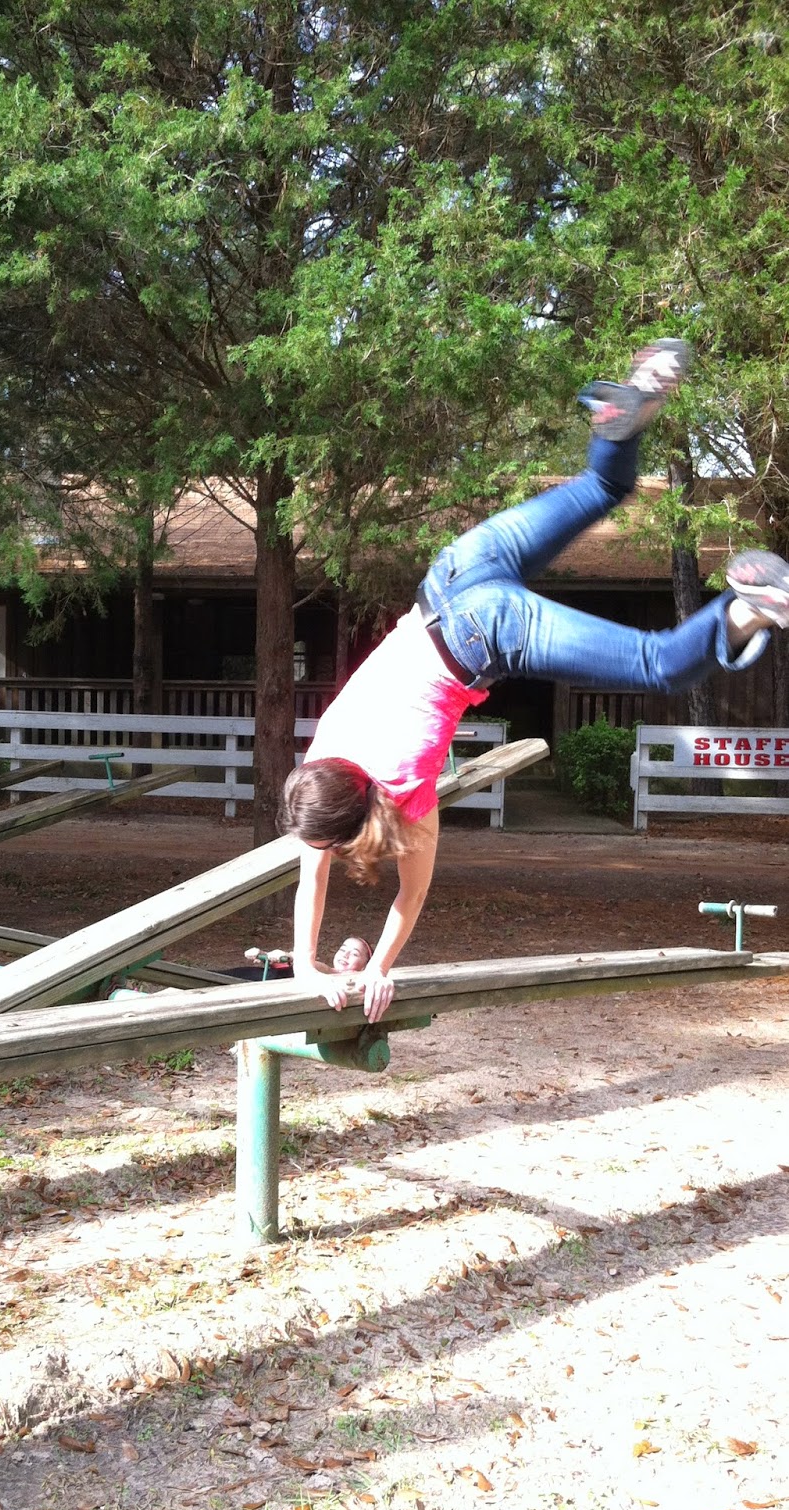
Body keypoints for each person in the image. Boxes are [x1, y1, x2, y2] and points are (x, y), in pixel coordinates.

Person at [279, 340, 789, 1023]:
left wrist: (376, 970)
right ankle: (624, 408)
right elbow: (310, 869)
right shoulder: (323, 762)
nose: (316, 853)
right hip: (454, 572)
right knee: (604, 487)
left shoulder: (401, 789)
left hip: (480, 632)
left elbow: (409, 893)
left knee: (660, 663)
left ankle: (746, 607)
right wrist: (303, 962)